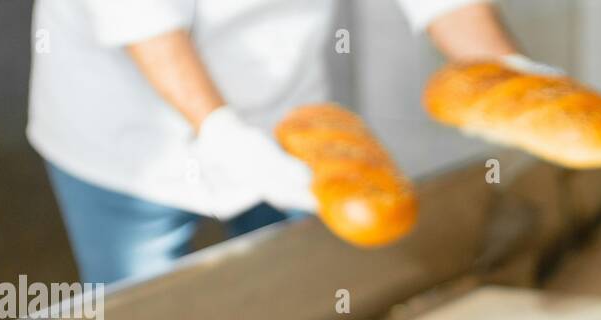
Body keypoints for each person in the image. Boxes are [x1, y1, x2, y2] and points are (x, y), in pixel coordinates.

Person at [27, 1, 527, 285]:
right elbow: (140, 19)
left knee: (303, 296)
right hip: (126, 125)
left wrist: (514, 79)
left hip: (285, 108)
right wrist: (222, 133)